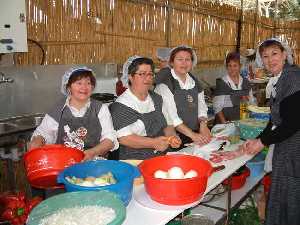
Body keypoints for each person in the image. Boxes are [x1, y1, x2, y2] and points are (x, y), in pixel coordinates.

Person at [241, 38, 300, 225]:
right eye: (265, 56)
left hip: (294, 148)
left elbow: (292, 124)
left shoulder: (292, 78)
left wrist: (262, 143)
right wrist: (259, 139)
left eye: (274, 53)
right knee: (283, 191)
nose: (270, 60)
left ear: (285, 55)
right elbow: (275, 120)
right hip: (287, 145)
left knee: (290, 193)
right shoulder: (280, 79)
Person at [28, 66, 119, 161]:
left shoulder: (100, 109)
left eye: (88, 83)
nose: (84, 87)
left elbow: (110, 139)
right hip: (64, 163)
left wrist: (93, 152)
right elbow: (44, 133)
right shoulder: (58, 110)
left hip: (94, 163)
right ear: (68, 87)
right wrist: (38, 140)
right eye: (79, 83)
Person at [109, 56, 181, 160]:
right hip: (135, 159)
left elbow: (168, 124)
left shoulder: (157, 98)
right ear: (130, 77)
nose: (147, 78)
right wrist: (153, 143)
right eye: (142, 74)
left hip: (162, 155)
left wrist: (172, 137)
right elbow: (124, 138)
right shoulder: (120, 106)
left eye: (150, 74)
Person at [154, 45, 211, 146]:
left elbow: (202, 106)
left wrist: (203, 125)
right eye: (180, 59)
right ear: (171, 62)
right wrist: (193, 135)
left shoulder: (195, 82)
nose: (184, 63)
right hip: (172, 136)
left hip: (193, 133)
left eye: (187, 59)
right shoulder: (165, 84)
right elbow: (173, 117)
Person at [213, 52, 251, 123]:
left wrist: (245, 121)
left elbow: (247, 103)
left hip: (241, 120)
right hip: (225, 121)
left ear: (240, 66)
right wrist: (225, 123)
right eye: (229, 66)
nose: (232, 69)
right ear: (226, 67)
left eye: (235, 65)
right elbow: (217, 107)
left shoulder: (245, 82)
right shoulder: (222, 83)